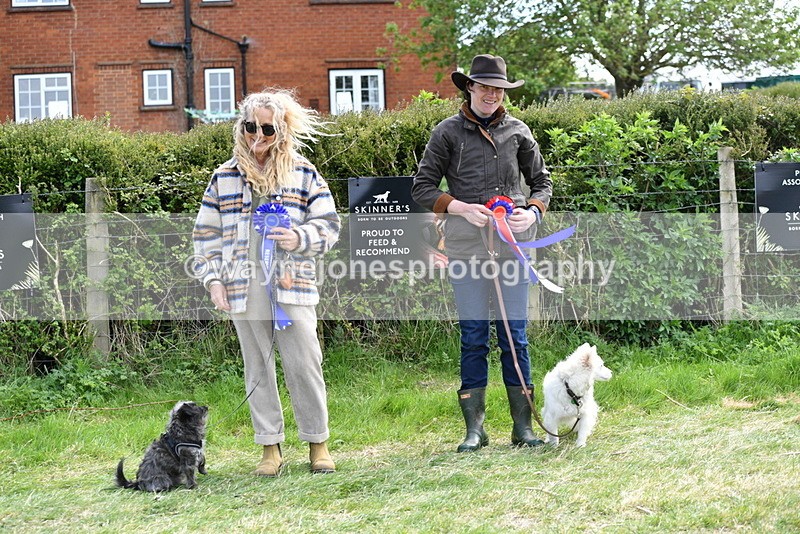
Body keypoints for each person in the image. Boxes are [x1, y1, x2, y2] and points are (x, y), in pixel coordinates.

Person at [192, 88, 341, 476]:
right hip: (243, 289)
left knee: (305, 363)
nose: (257, 136)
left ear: (282, 130)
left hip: (293, 284)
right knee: (256, 368)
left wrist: (299, 238)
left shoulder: (303, 172)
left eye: (267, 129)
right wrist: (213, 281)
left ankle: (317, 443)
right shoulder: (223, 177)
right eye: (250, 127)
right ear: (240, 126)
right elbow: (205, 235)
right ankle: (269, 449)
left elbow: (329, 224)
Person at [411, 54, 553, 452]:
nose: (491, 94)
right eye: (484, 86)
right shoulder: (447, 133)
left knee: (516, 338)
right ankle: (475, 430)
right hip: (465, 249)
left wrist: (532, 211)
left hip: (512, 249)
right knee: (473, 336)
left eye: (498, 88)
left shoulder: (519, 132)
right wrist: (457, 207)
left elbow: (541, 183)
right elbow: (421, 188)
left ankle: (522, 428)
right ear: (469, 88)